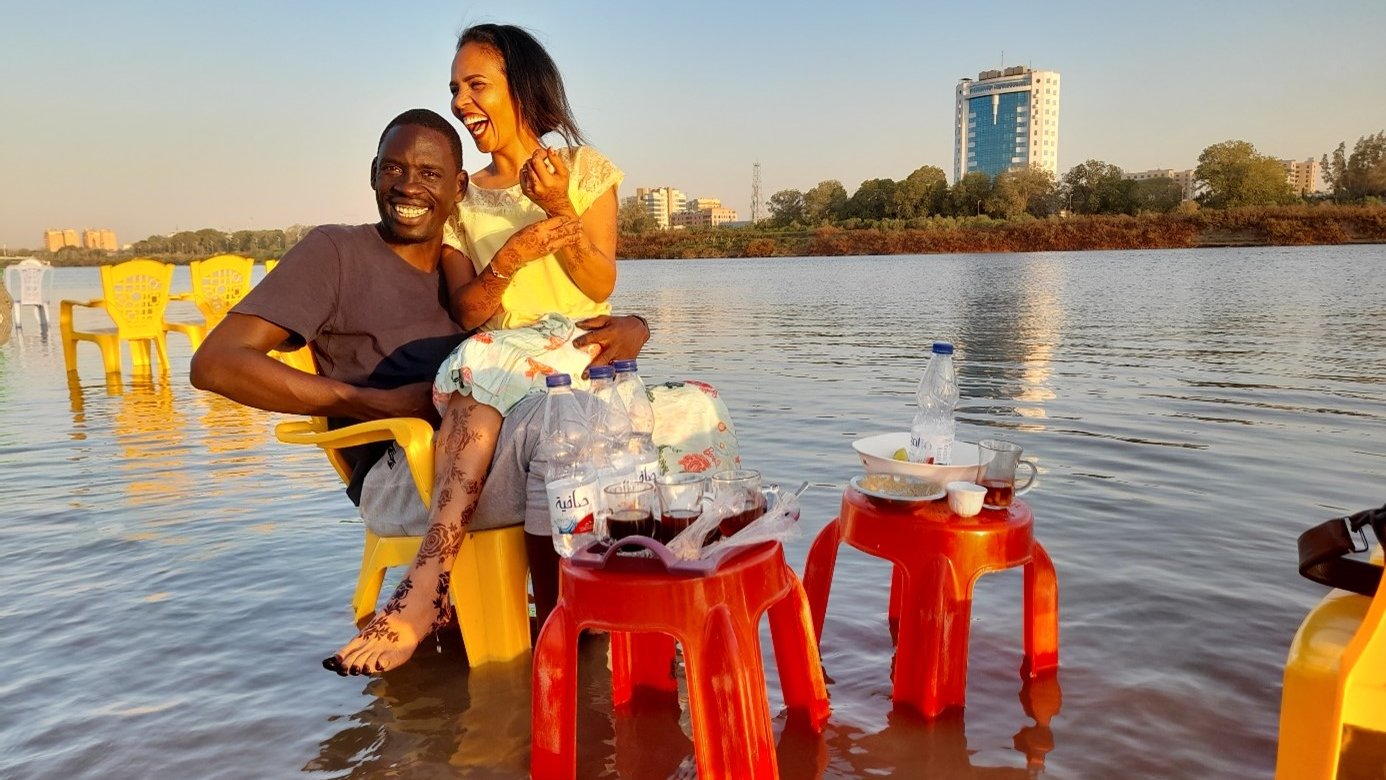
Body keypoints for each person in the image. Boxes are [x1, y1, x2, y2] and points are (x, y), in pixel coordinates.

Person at [189, 108, 650, 674]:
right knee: (561, 423)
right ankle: (561, 644)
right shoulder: (336, 253)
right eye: (394, 170)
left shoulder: (471, 279)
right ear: (374, 174)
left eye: (430, 175)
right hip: (400, 473)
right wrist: (369, 402)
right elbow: (215, 364)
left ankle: (628, 629)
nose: (409, 186)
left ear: (460, 188)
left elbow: (549, 341)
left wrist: (633, 329)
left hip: (499, 459)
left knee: (634, 416)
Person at [430, 22, 623, 635]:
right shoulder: (460, 201)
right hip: (507, 375)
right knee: (509, 376)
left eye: (476, 85)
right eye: (455, 88)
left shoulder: (585, 170)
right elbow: (468, 312)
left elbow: (599, 286)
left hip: (580, 355)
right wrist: (512, 254)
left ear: (521, 89)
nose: (461, 102)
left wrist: (559, 208)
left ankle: (678, 593)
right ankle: (563, 622)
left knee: (697, 407)